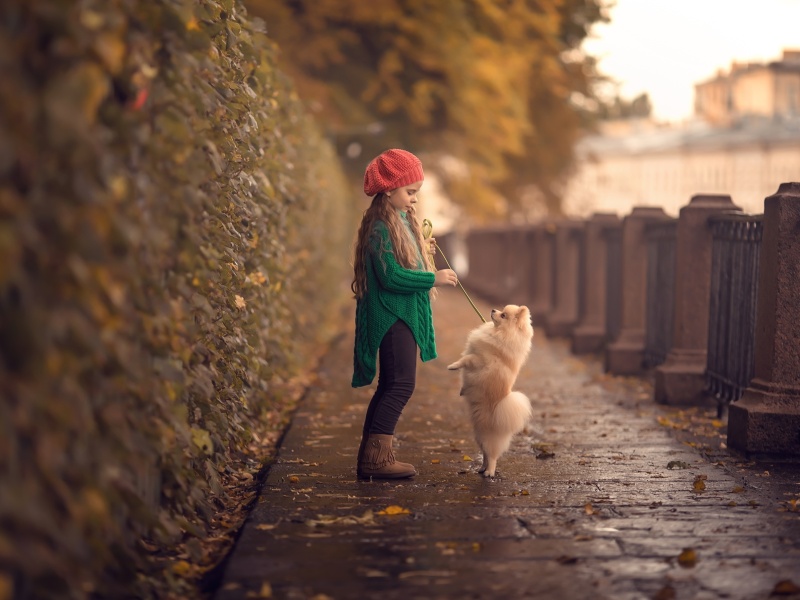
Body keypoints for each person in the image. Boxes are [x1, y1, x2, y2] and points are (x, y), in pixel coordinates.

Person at [351, 148, 458, 479]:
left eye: (416, 193)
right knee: (400, 385)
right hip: (392, 317)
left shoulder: (398, 222)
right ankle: (378, 460)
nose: (414, 199)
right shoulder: (381, 228)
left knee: (391, 384)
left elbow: (401, 263)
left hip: (402, 314)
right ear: (389, 189)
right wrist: (432, 278)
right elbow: (391, 276)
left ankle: (372, 457)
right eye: (410, 192)